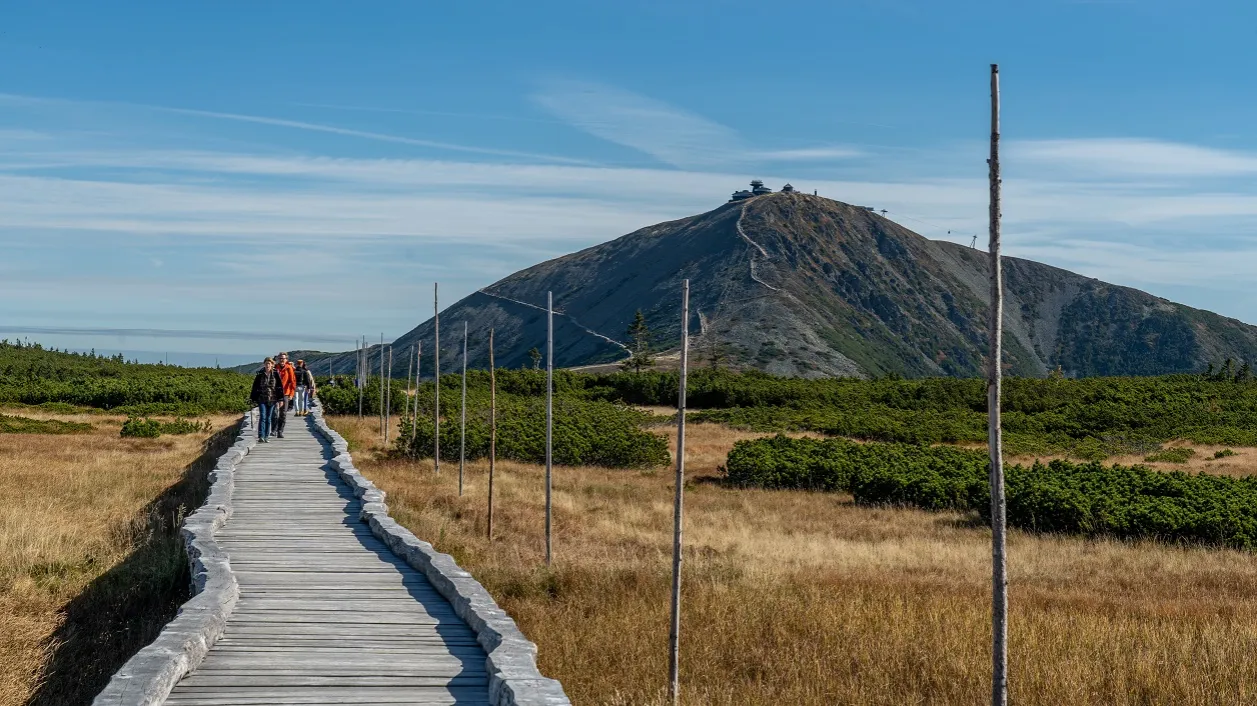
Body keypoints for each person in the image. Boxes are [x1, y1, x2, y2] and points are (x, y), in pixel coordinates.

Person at [250, 357, 285, 443]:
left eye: (269, 364)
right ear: (264, 364)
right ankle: (261, 435)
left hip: (272, 399)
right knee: (263, 416)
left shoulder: (276, 374)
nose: (267, 365)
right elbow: (255, 387)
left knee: (269, 418)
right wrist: (253, 398)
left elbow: (279, 387)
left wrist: (281, 399)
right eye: (266, 363)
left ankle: (266, 436)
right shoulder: (260, 374)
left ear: (272, 365)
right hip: (262, 398)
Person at [273, 352, 297, 438]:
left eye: (283, 359)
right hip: (275, 393)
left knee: (283, 413)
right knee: (274, 412)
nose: (282, 360)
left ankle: (280, 431)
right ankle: (274, 429)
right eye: (280, 358)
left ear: (286, 360)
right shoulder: (275, 368)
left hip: (285, 393)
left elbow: (293, 382)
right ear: (277, 359)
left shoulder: (289, 368)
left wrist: (291, 394)